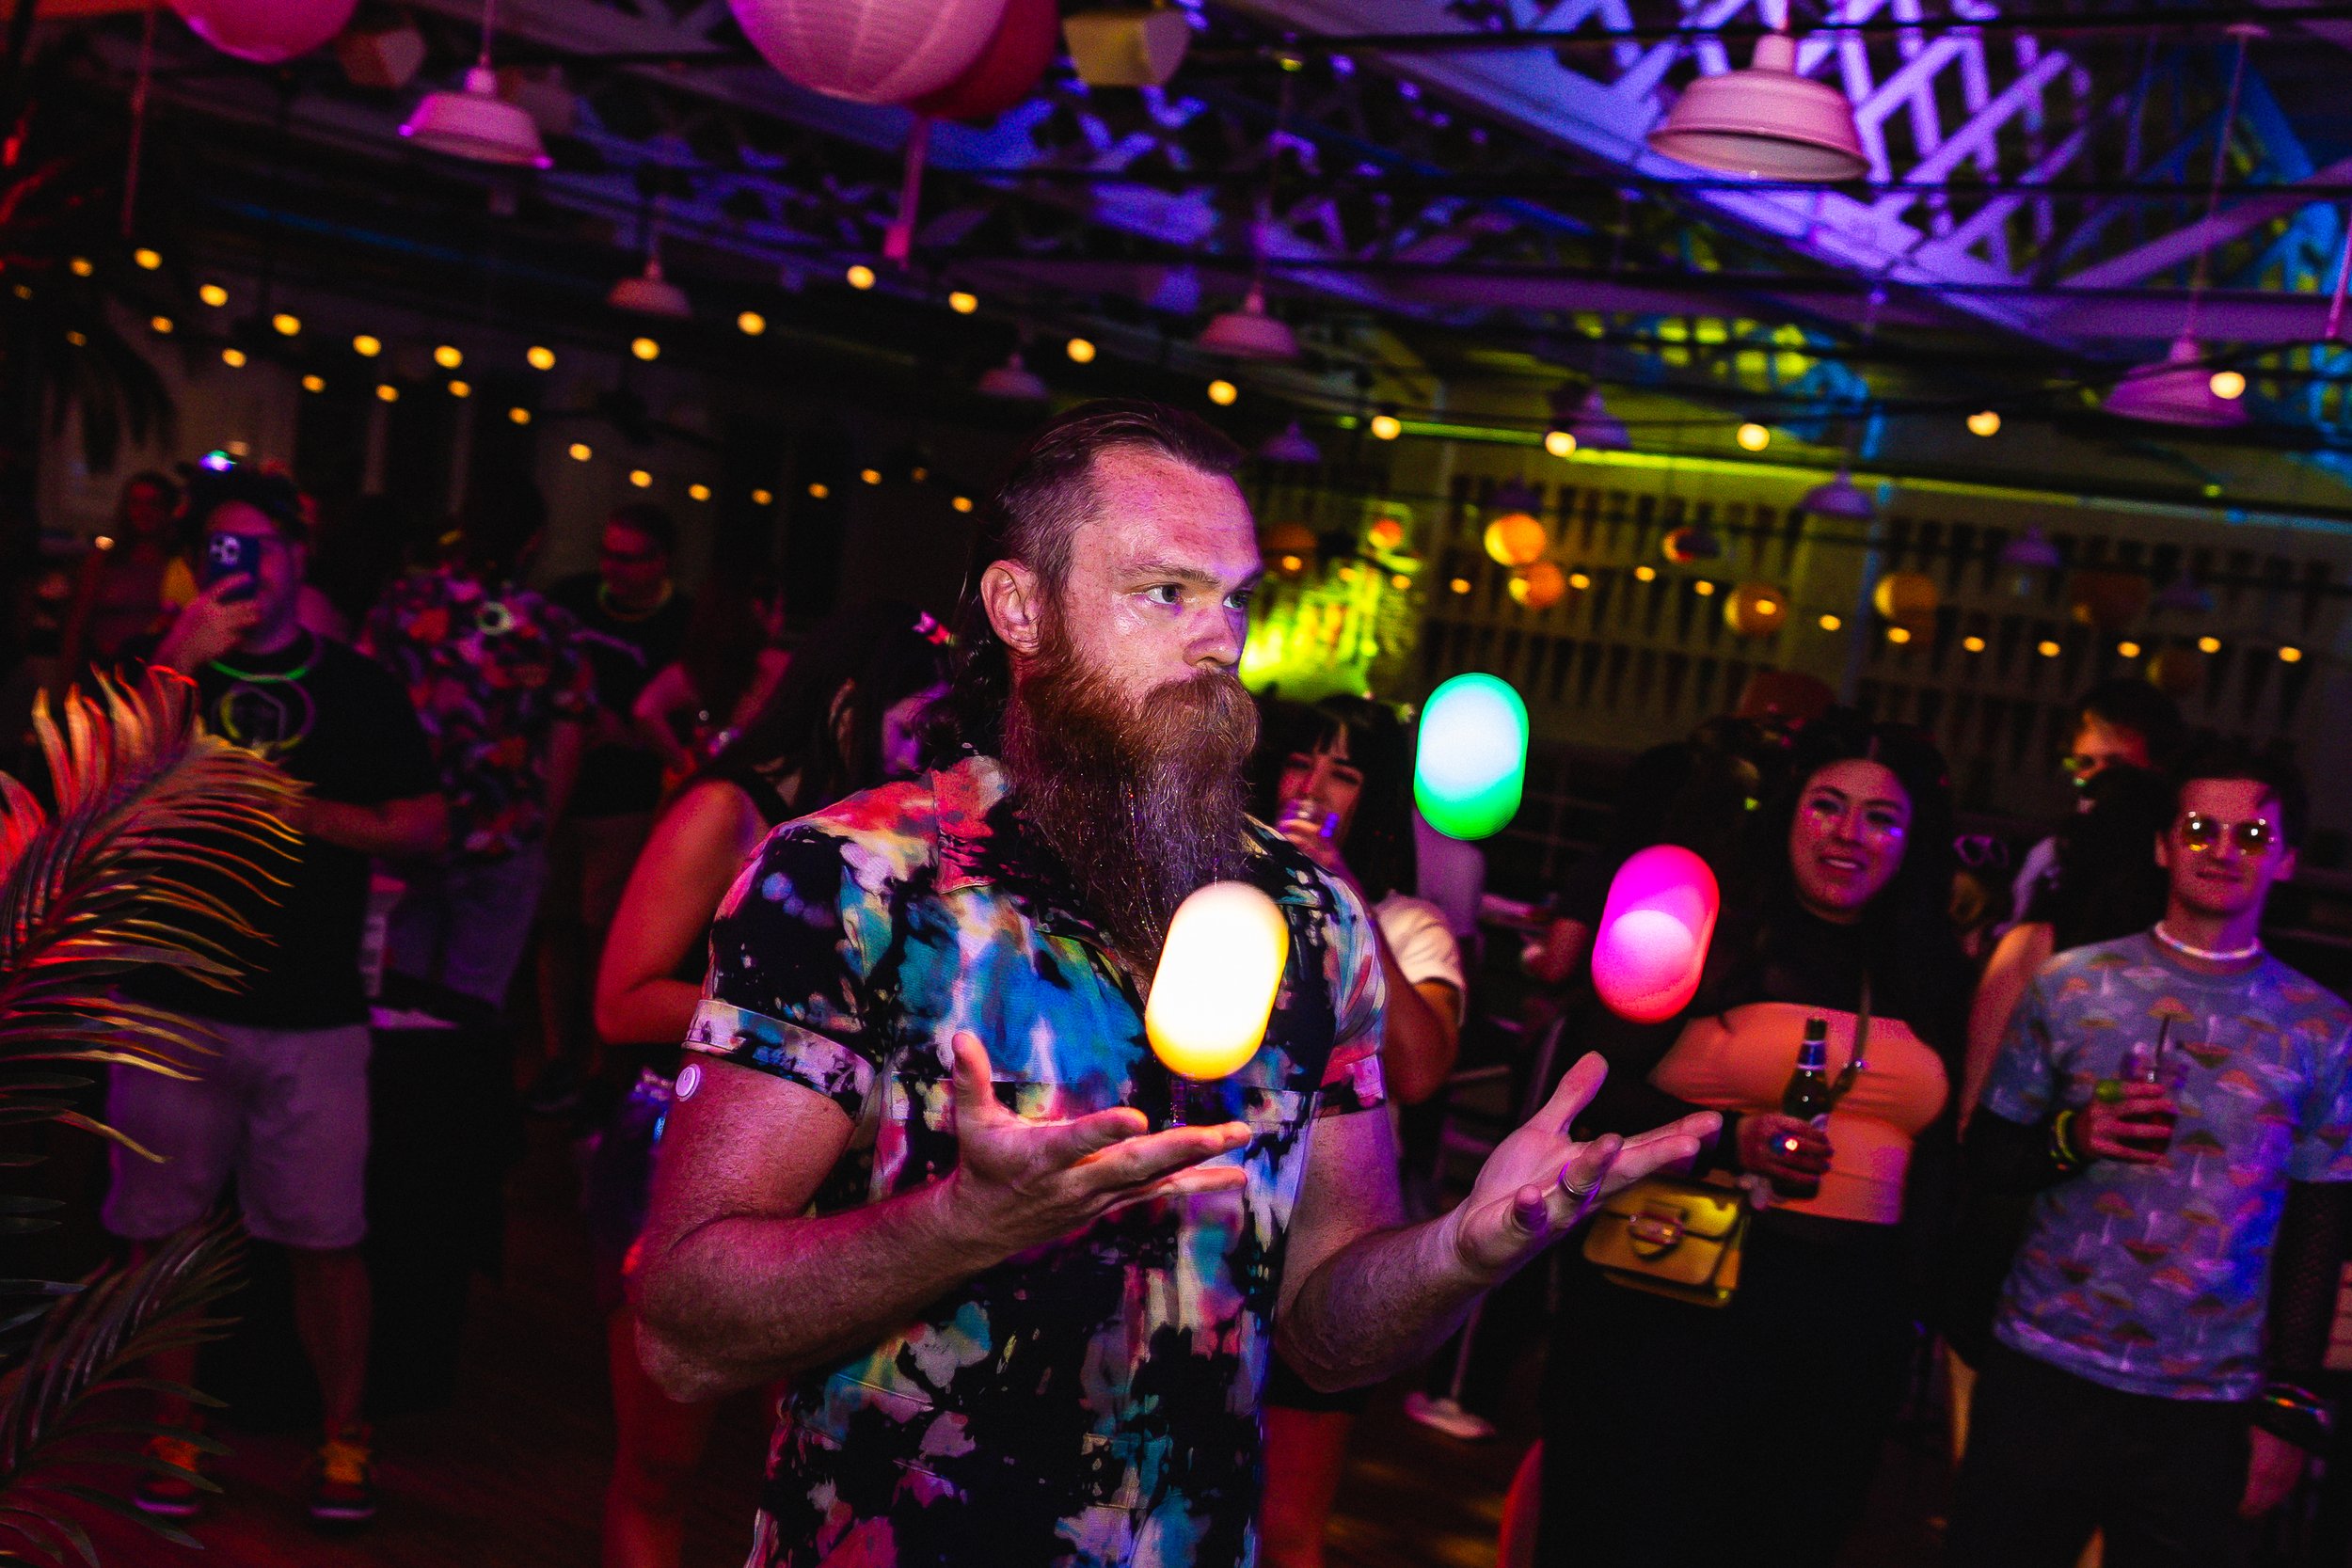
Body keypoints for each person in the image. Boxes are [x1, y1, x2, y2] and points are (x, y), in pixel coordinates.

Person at [629, 400, 1716, 1568]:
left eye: (1234, 594)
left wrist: (1463, 1247)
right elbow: (683, 1335)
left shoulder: (1312, 913)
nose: (1223, 637)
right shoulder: (854, 882)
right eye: (1167, 592)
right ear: (1019, 607)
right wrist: (960, 1223)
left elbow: (1325, 1335)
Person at [1538, 714, 1970, 1567]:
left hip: (1850, 1312)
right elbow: (1589, 1090)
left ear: (1913, 840)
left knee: (1790, 1532)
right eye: (1827, 805)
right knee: (1642, 1528)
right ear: (1787, 809)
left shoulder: (1932, 965)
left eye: (1881, 818)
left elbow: (1953, 1149)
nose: (1850, 835)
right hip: (1680, 1293)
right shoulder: (1709, 923)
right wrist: (1736, 1135)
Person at [107, 466, 445, 1525]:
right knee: (161, 1233)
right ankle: (174, 1427)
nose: (244, 568)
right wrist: (175, 665)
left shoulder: (358, 688)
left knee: (325, 1236)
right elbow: (101, 801)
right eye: (223, 550)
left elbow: (423, 826)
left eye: (264, 547)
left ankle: (344, 1437)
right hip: (168, 999)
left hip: (310, 1010)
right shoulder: (155, 672)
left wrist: (302, 811)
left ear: (301, 559)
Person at [590, 601, 950, 1568]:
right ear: (844, 704)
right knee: (660, 1464)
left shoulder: (904, 850)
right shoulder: (732, 809)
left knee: (811, 1458)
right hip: (684, 1146)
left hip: (826, 1162)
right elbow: (620, 999)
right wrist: (797, 1009)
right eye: (917, 723)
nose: (935, 750)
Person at [1947, 746, 2352, 1568]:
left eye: (2251, 833)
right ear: (2165, 844)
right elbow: (1988, 1156)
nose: (2222, 848)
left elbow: (2321, 1218)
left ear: (2287, 859)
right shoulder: (2073, 983)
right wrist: (2075, 1137)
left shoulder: (2323, 1026)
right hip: (2043, 1371)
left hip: (2206, 1402)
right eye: (2201, 827)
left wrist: (2287, 1407)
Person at [1256, 695, 1466, 1568]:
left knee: (1287, 1518)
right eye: (1302, 761)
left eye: (1343, 770)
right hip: (1207, 1207)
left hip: (1325, 1230)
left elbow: (1422, 1070)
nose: (1313, 786)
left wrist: (1340, 896)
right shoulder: (1217, 882)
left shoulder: (1410, 921)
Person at [361, 486, 595, 1008]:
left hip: (409, 830)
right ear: (533, 541)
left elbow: (365, 709)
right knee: (471, 1012)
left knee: (398, 1004)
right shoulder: (551, 625)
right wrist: (537, 835)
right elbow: (566, 738)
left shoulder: (404, 605)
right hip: (501, 838)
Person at [537, 504, 692, 1109]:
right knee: (554, 929)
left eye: (629, 557)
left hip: (628, 801)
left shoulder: (678, 622)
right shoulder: (571, 601)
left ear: (661, 561)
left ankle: (604, 1071)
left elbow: (678, 717)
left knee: (606, 934)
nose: (614, 569)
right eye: (608, 553)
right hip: (559, 793)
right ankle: (556, 1058)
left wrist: (623, 734)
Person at [2006, 679, 2184, 930]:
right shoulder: (2051, 856)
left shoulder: (2175, 863)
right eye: (2085, 764)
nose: (2096, 782)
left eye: (2116, 766)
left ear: (2159, 769)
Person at [630, 575, 791, 790]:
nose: (781, 621)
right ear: (760, 609)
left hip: (705, 793)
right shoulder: (781, 665)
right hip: (759, 793)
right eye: (779, 610)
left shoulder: (694, 669)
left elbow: (644, 710)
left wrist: (684, 766)